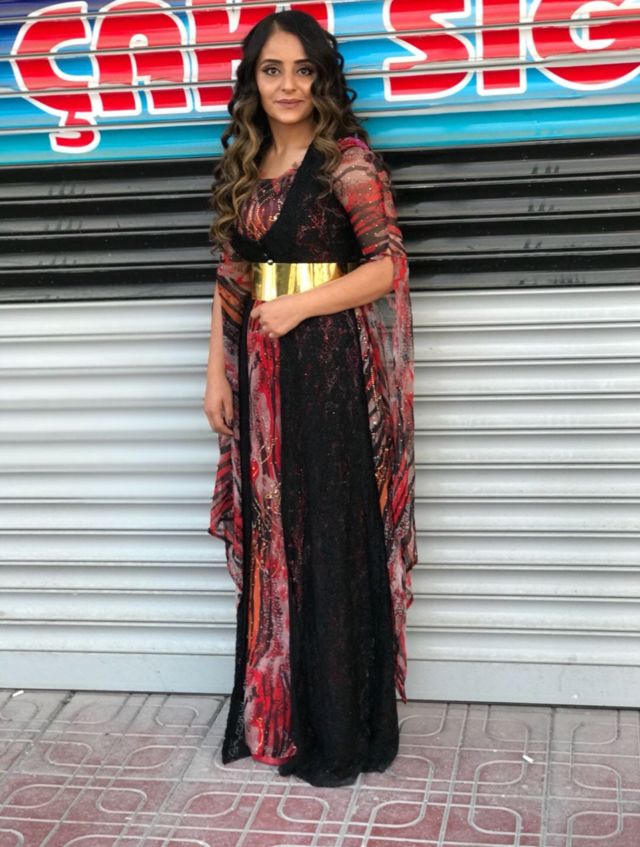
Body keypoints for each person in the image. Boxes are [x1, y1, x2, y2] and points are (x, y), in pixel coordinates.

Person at [204, 8, 417, 788]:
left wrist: (298, 306)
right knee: (276, 534)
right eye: (272, 70)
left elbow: (387, 266)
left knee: (327, 534)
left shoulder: (346, 164)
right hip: (263, 379)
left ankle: (339, 722)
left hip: (327, 374)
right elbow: (231, 278)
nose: (288, 85)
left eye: (302, 69)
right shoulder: (245, 164)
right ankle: (280, 712)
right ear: (252, 82)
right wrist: (215, 372)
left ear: (321, 78)